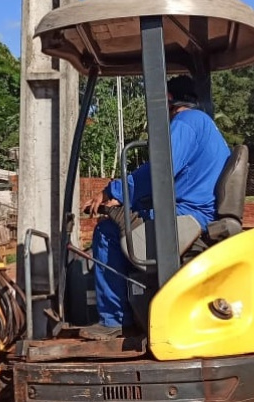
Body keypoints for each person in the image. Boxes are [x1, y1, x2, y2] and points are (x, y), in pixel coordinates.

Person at [80, 75, 230, 340]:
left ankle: (115, 320)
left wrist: (113, 192)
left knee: (106, 231)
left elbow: (159, 171)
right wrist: (128, 196)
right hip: (196, 211)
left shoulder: (184, 124)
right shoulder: (203, 123)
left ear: (169, 100)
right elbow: (169, 178)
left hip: (188, 215)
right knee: (127, 217)